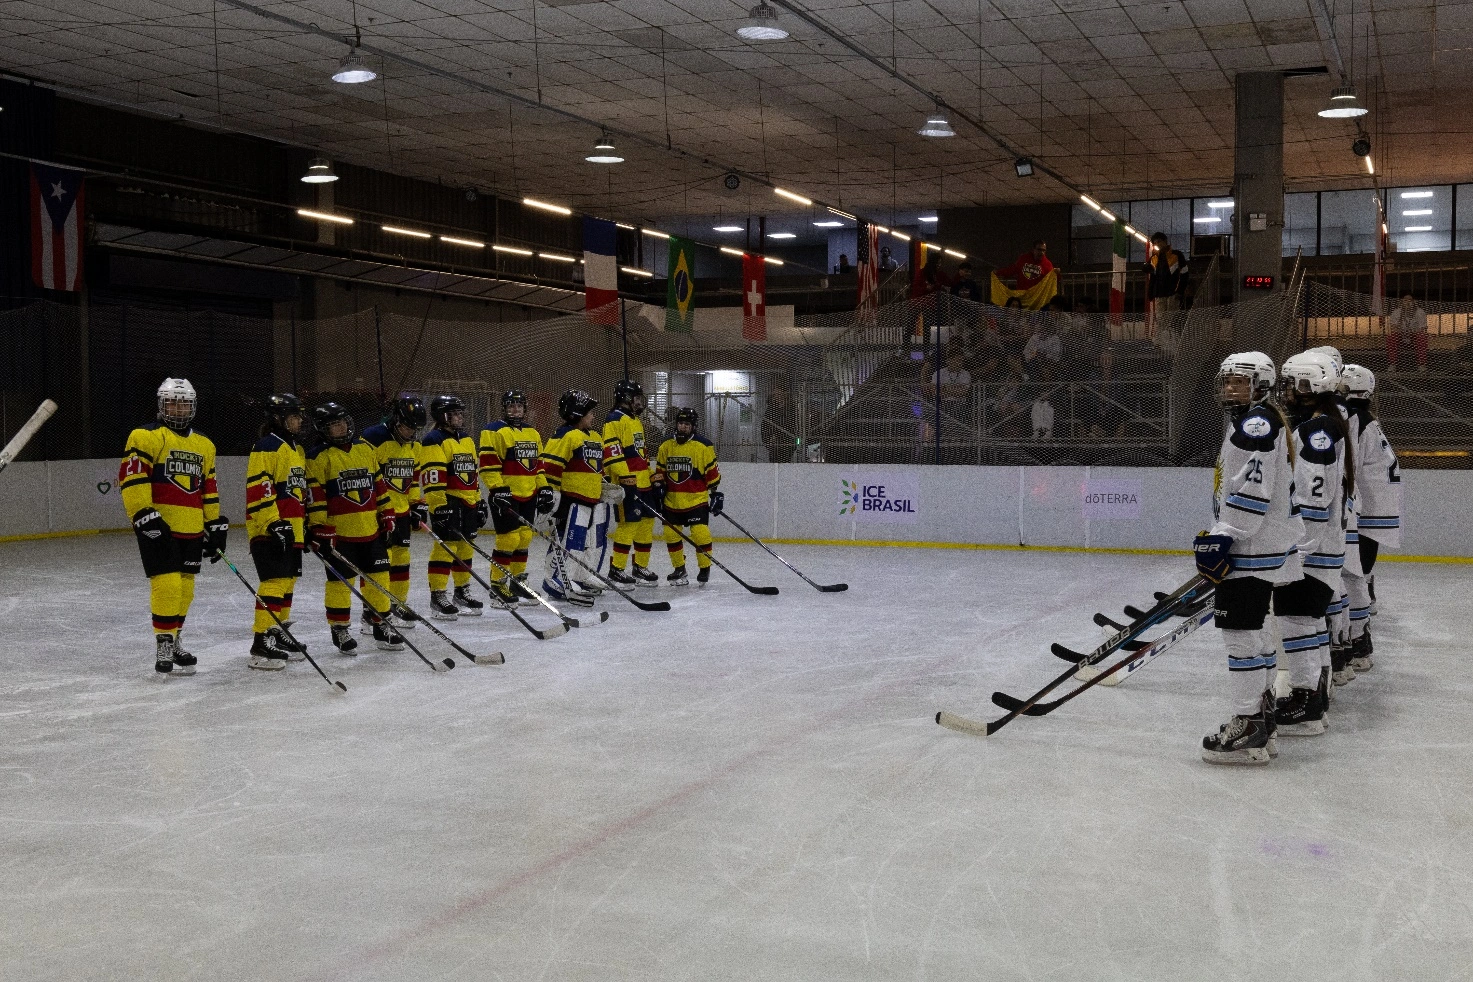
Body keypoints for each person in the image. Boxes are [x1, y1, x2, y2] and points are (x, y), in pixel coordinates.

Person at [1193, 352, 1303, 765]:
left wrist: (1226, 535)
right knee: (1253, 633)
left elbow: (1251, 490)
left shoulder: (1257, 423)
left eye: (1238, 381)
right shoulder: (1258, 419)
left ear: (1261, 383)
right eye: (1226, 381)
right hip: (1259, 545)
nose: (1229, 389)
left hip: (1251, 547)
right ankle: (1262, 718)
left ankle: (1249, 724)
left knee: (1240, 633)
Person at [119, 377, 227, 676]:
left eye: (184, 404)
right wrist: (143, 513)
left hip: (191, 526)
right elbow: (132, 478)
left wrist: (215, 522)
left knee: (186, 588)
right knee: (167, 584)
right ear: (161, 404)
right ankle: (164, 641)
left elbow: (208, 487)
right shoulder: (144, 436)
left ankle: (175, 635)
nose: (178, 409)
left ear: (192, 407)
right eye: (171, 402)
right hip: (158, 525)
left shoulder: (205, 444)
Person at [1272, 352, 1352, 737]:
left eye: (1292, 384)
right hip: (1323, 548)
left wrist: (1295, 551)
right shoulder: (1325, 425)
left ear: (1309, 387)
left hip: (1312, 550)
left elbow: (1314, 501)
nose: (1285, 392)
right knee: (1308, 621)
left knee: (1297, 621)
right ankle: (1315, 693)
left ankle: (1307, 703)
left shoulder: (1317, 432)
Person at [304, 402, 403, 653]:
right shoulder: (317, 457)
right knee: (340, 584)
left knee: (380, 579)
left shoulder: (364, 449)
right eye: (335, 424)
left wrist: (388, 513)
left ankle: (381, 622)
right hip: (340, 536)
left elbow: (379, 485)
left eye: (344, 421)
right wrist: (319, 528)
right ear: (322, 429)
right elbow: (316, 498)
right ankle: (339, 628)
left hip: (371, 530)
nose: (342, 427)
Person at [1339, 364, 1401, 673]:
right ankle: (1358, 640)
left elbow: (1345, 467)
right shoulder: (1368, 420)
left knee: (1349, 576)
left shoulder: (1352, 420)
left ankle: (1357, 642)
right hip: (1376, 512)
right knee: (1356, 575)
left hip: (1361, 512)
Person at [243, 393, 310, 671]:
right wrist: (272, 521)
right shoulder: (267, 445)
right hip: (269, 528)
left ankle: (276, 631)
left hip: (292, 528)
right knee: (273, 582)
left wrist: (304, 525)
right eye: (293, 416)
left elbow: (297, 492)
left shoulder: (296, 449)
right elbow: (260, 486)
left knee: (287, 584)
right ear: (278, 419)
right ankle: (261, 639)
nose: (298, 421)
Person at [478, 389, 555, 607]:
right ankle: (497, 585)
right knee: (508, 539)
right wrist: (497, 488)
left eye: (519, 406)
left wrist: (544, 488)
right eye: (511, 406)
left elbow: (538, 468)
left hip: (528, 493)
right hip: (506, 494)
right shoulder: (493, 430)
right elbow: (488, 466)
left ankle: (517, 582)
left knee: (524, 538)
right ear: (504, 408)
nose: (515, 410)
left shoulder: (532, 432)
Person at [540, 389, 612, 605]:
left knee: (587, 542)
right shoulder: (565, 435)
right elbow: (550, 467)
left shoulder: (595, 437)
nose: (593, 416)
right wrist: (549, 494)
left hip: (591, 500)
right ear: (576, 413)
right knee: (567, 541)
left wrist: (605, 485)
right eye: (589, 412)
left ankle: (581, 575)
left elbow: (597, 469)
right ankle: (555, 580)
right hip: (570, 500)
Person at [361, 396, 426, 630]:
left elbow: (413, 478)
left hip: (402, 512)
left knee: (402, 560)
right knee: (378, 564)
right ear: (396, 419)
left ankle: (398, 604)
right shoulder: (373, 438)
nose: (411, 433)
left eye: (415, 429)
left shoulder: (413, 444)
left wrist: (417, 504)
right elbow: (364, 477)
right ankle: (371, 610)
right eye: (408, 427)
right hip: (378, 513)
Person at [419, 394, 485, 620]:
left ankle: (461, 591)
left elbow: (472, 474)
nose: (458, 417)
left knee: (466, 548)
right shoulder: (433, 439)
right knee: (445, 548)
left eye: (460, 413)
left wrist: (479, 500)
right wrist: (438, 506)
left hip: (468, 501)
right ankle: (438, 596)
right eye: (453, 413)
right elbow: (433, 476)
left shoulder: (466, 439)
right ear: (441, 416)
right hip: (448, 501)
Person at [654, 407, 723, 586]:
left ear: (693, 426)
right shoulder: (666, 445)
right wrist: (658, 486)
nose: (683, 427)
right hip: (672, 501)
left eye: (687, 424)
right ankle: (679, 568)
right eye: (680, 423)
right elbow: (660, 472)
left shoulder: (703, 446)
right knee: (670, 534)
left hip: (696, 499)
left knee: (700, 534)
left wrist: (715, 494)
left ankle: (704, 567)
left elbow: (712, 475)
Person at [603, 380, 660, 589]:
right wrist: (625, 477)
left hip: (643, 482)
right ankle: (616, 569)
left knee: (646, 523)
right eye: (636, 398)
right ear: (625, 399)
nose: (639, 402)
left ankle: (640, 567)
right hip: (627, 483)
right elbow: (612, 452)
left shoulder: (635, 420)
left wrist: (651, 474)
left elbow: (640, 453)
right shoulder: (614, 419)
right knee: (629, 525)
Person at [1146, 232, 1189, 338]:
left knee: (1172, 319)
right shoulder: (1154, 258)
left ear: (1165, 241)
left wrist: (1180, 291)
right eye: (1155, 243)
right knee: (1160, 320)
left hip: (1173, 293)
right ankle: (1162, 344)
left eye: (1159, 241)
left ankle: (1174, 343)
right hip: (1159, 294)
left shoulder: (1177, 255)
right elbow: (1153, 277)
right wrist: (1150, 292)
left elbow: (1185, 273)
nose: (1157, 244)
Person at [1386, 293, 1428, 373]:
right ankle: (1392, 364)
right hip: (1401, 335)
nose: (1407, 302)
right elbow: (1393, 328)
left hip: (1414, 335)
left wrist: (1412, 332)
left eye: (1410, 300)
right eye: (1405, 300)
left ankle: (1421, 365)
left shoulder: (1420, 312)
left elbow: (1422, 328)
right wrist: (1403, 331)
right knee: (1391, 337)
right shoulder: (1396, 312)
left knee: (1422, 337)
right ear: (1402, 301)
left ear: (1414, 302)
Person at [761, 388, 798, 463]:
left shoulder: (791, 408)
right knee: (774, 463)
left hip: (788, 441)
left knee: (786, 463)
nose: (777, 397)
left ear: (784, 395)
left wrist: (795, 442)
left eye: (779, 394)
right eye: (775, 395)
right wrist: (769, 439)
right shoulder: (771, 409)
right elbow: (765, 425)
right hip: (774, 443)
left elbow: (794, 425)